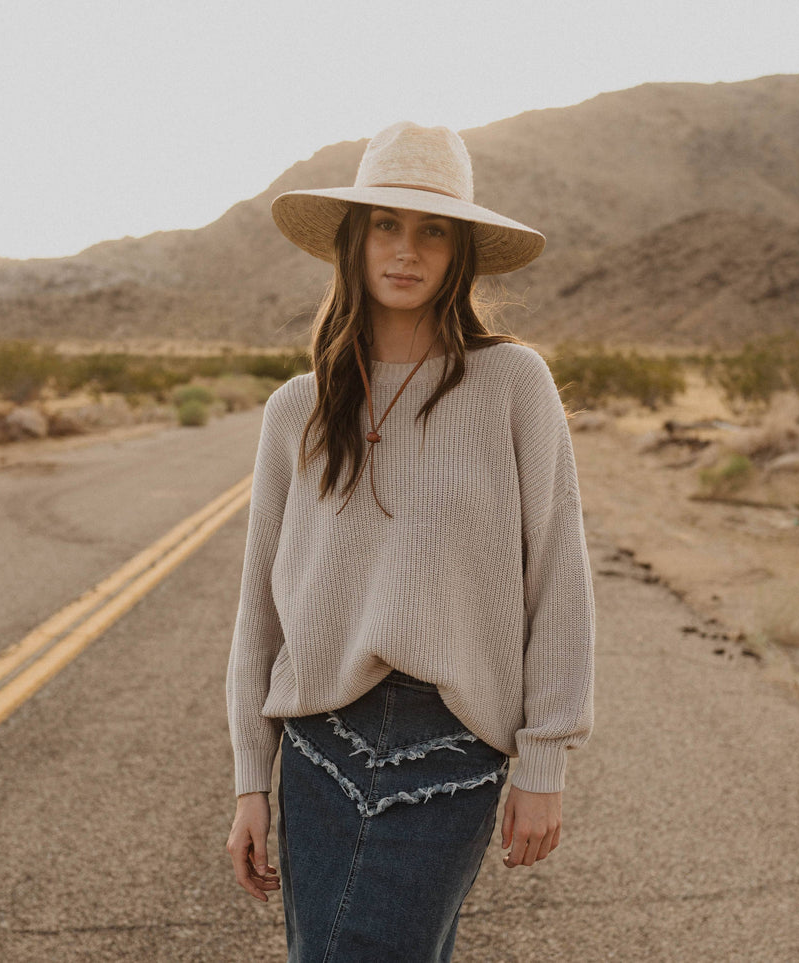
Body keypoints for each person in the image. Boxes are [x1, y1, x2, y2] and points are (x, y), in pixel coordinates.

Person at [224, 120, 595, 961]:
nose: (406, 249)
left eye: (432, 230)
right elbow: (259, 606)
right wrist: (252, 776)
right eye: (386, 224)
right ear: (352, 242)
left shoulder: (511, 383)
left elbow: (558, 577)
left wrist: (545, 760)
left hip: (452, 744)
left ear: (460, 252)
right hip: (318, 741)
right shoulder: (297, 409)